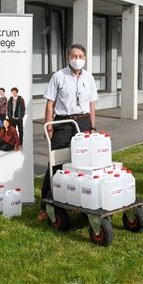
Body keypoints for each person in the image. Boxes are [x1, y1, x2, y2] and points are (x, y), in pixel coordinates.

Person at [38, 43, 98, 221]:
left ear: (85, 58)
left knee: (83, 164)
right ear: (68, 58)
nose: (77, 59)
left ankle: (78, 201)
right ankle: (45, 206)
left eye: (80, 56)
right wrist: (49, 126)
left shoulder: (89, 78)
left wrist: (93, 128)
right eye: (74, 56)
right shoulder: (58, 76)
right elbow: (50, 104)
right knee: (56, 165)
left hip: (84, 122)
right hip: (63, 124)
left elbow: (92, 104)